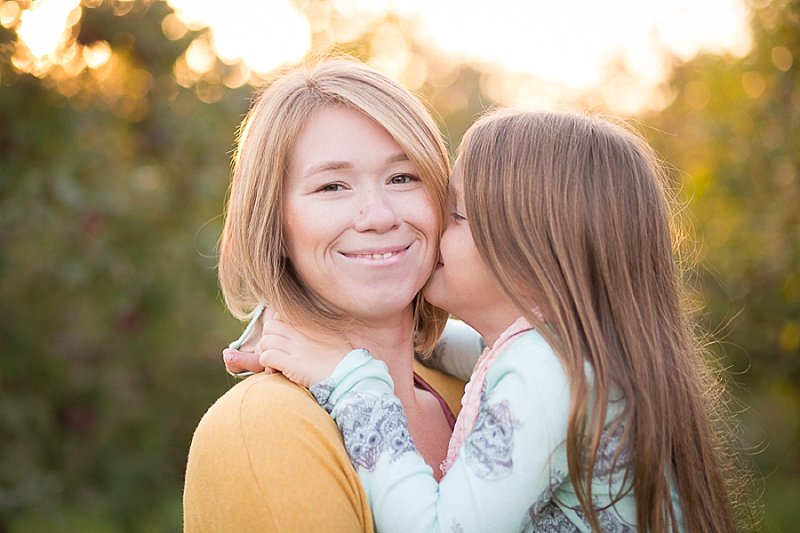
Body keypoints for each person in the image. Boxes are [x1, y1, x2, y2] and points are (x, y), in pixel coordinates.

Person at [256, 109, 740, 532]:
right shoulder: (566, 352)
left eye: (456, 215)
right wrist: (316, 321)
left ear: (534, 256)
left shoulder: (548, 375)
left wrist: (350, 378)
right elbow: (452, 348)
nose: (429, 226)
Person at [182, 58, 473, 532]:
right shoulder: (263, 428)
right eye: (331, 186)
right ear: (274, 225)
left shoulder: (474, 389)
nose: (377, 215)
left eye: (403, 177)